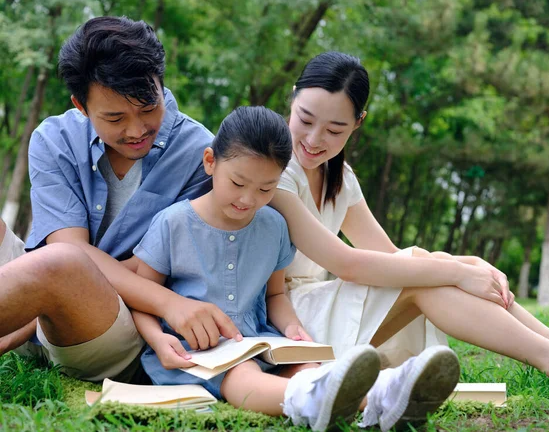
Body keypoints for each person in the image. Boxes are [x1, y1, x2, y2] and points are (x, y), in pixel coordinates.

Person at [269, 51, 549, 402]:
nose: (315, 138)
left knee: (429, 262)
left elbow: (390, 256)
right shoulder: (273, 172)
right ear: (292, 98)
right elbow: (346, 264)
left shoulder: (340, 177)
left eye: (335, 129)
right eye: (304, 119)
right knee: (427, 277)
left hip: (317, 311)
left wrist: (463, 264)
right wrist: (456, 272)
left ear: (358, 122)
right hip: (287, 323)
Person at [130, 106, 460, 431]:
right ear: (210, 161)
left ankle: (382, 394)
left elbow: (275, 294)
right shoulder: (173, 223)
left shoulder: (273, 226)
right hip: (197, 351)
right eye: (238, 183)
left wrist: (292, 329)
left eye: (265, 189)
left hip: (260, 340)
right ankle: (379, 394)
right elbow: (144, 298)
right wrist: (158, 340)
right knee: (243, 375)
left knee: (307, 365)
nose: (248, 199)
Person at [0, 16, 242, 382]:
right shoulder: (54, 139)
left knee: (63, 262)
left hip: (123, 323)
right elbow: (69, 250)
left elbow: (149, 267)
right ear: (81, 107)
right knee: (61, 259)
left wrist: (170, 305)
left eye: (148, 108)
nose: (136, 130)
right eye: (115, 118)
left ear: (161, 85)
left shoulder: (201, 156)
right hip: (35, 297)